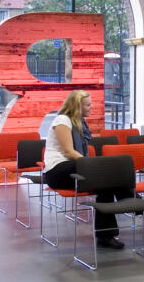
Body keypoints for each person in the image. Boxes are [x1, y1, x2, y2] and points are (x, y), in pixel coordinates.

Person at [39, 89, 128, 249]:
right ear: (77, 106)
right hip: (57, 171)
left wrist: (90, 165)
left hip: (74, 168)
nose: (91, 107)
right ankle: (129, 199)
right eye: (88, 105)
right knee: (105, 169)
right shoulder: (62, 120)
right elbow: (68, 152)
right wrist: (90, 165)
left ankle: (105, 236)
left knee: (106, 185)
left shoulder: (79, 123)